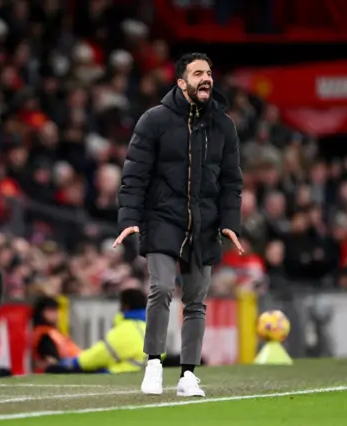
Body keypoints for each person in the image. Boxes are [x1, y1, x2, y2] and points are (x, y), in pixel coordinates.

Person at [114, 53, 243, 397]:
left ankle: (188, 375)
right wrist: (129, 218)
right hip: (162, 219)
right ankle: (154, 365)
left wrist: (230, 222)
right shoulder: (154, 120)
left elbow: (232, 182)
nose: (207, 79)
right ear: (181, 83)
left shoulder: (224, 126)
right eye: (198, 73)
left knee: (197, 301)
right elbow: (134, 173)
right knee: (160, 289)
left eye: (210, 73)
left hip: (205, 223)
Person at [56, 288, 148, 374]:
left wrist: (71, 362)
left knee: (56, 369)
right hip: (142, 370)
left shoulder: (125, 330)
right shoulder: (152, 327)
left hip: (124, 372)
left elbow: (95, 357)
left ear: (125, 306)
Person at [31, 296, 81, 373]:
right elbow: (50, 359)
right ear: (42, 312)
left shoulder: (54, 331)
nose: (56, 314)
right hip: (55, 373)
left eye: (56, 310)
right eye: (51, 310)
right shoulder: (44, 334)